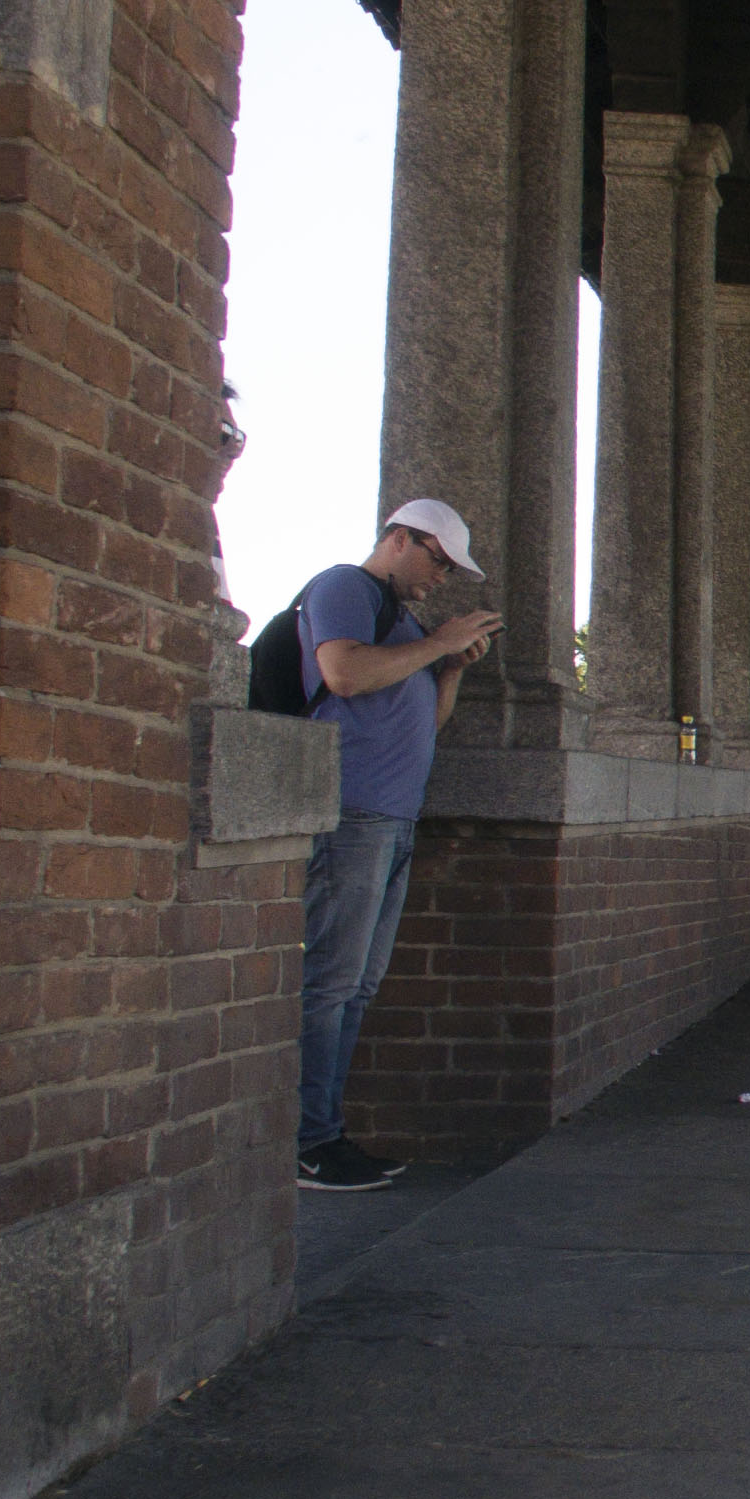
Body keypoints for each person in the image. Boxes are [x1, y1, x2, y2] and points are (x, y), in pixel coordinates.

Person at [294, 499, 501, 1191]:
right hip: (351, 814)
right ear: (398, 539)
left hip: (393, 818)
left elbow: (424, 724)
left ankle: (326, 1134)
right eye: (436, 560)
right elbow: (344, 674)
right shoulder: (345, 587)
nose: (441, 577)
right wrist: (438, 643)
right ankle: (307, 1142)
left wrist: (450, 668)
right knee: (328, 984)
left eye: (449, 568)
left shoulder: (407, 626)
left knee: (357, 986)